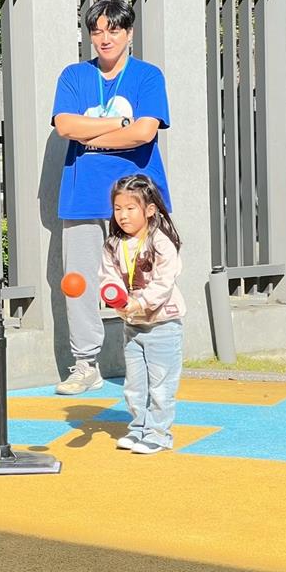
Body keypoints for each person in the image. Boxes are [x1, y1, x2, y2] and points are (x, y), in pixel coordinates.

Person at [52, 0, 171, 395]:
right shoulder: (74, 76)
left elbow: (144, 132)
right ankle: (85, 365)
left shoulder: (147, 76)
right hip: (83, 195)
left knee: (143, 277)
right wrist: (118, 123)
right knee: (81, 282)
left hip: (137, 196)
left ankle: (145, 361)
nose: (105, 38)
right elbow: (66, 127)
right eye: (97, 31)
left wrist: (93, 136)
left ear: (129, 33)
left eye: (114, 30)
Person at [99, 174, 185, 455]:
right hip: (133, 325)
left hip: (163, 324)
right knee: (135, 384)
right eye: (117, 208)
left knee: (161, 384)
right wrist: (113, 295)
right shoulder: (113, 244)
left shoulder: (161, 243)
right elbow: (108, 277)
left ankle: (159, 434)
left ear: (149, 210)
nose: (122, 215)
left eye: (130, 208)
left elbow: (164, 282)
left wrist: (140, 303)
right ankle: (138, 428)